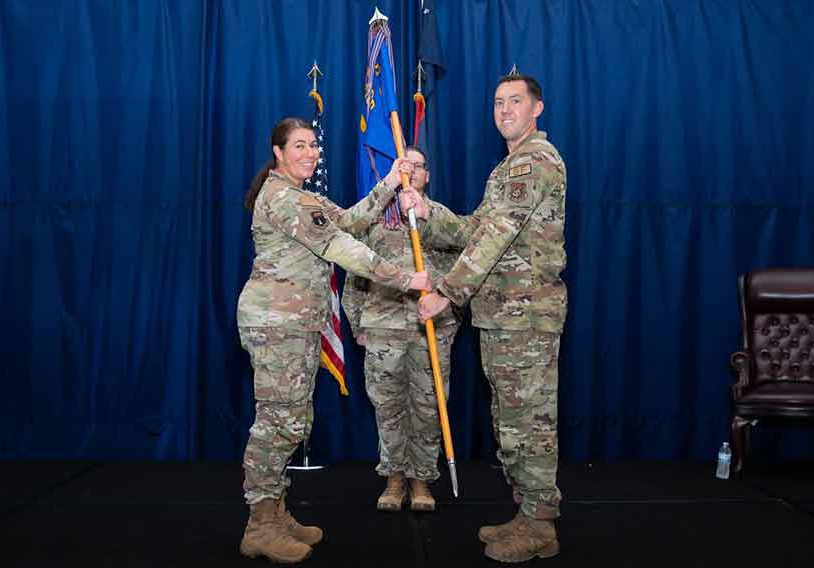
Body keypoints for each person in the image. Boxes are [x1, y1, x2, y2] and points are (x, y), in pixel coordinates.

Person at [236, 117, 431, 563]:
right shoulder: (283, 198)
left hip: (295, 323)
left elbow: (349, 221)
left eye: (313, 145)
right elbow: (344, 248)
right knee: (276, 424)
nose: (309, 152)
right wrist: (407, 278)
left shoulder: (302, 196)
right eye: (298, 145)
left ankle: (277, 510)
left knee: (292, 420)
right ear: (278, 152)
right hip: (276, 324)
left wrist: (388, 181)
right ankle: (260, 524)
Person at [414, 75, 567, 563]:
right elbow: (472, 228)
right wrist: (425, 208)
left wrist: (447, 292)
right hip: (502, 317)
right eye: (498, 102)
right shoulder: (506, 169)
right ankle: (526, 515)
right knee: (510, 422)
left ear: (537, 108)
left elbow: (498, 233)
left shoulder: (536, 162)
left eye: (515, 101)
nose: (504, 109)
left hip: (527, 317)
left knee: (530, 424)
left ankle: (541, 525)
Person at [341, 147, 463, 513]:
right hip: (383, 328)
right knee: (388, 408)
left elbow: (465, 272)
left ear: (427, 175)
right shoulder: (375, 220)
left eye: (418, 166)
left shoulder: (442, 221)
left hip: (431, 329)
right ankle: (394, 477)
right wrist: (357, 322)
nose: (412, 171)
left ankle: (421, 479)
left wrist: (451, 314)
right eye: (404, 166)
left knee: (427, 407)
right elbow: (355, 275)